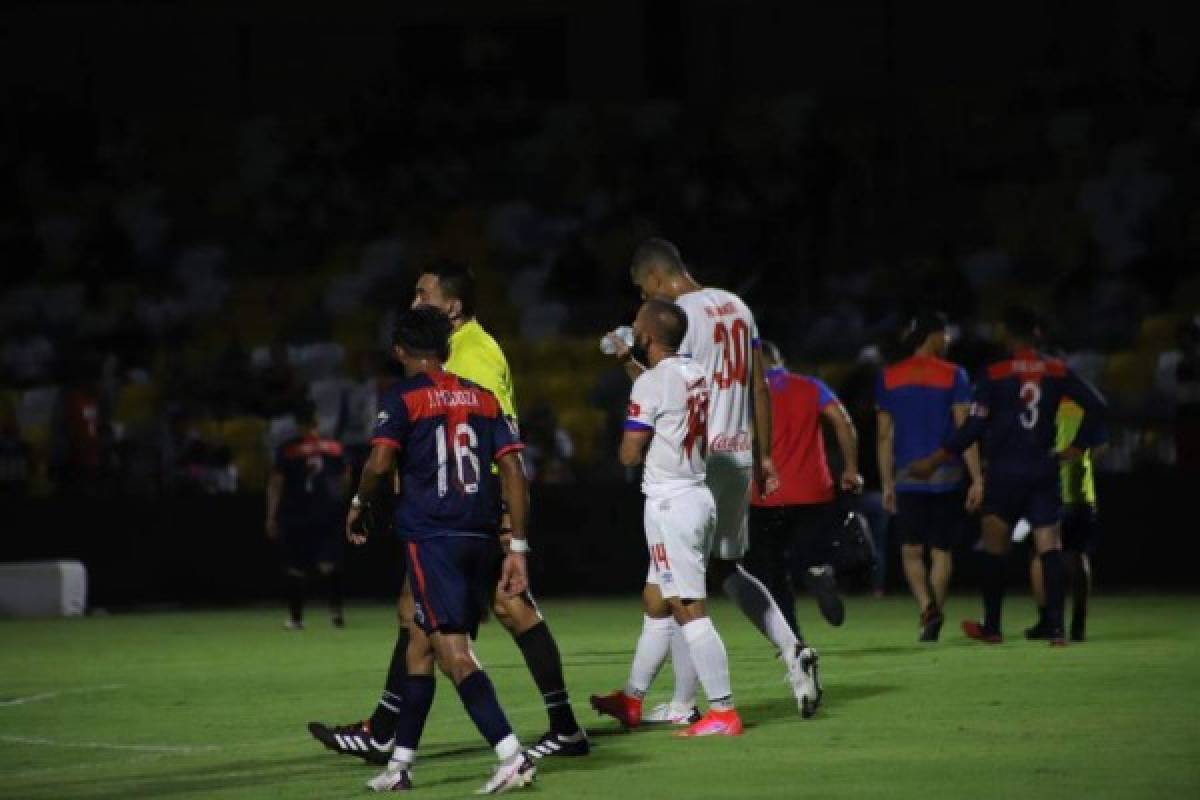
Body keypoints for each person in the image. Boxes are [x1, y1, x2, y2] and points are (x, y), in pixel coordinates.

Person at [309, 261, 587, 765]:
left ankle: (394, 735)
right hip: (475, 504)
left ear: (453, 306)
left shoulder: (472, 355)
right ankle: (390, 731)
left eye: (423, 294)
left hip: (475, 506)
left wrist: (505, 520)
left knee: (491, 611)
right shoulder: (463, 349)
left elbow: (476, 435)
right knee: (445, 613)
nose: (415, 302)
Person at [603, 238, 813, 723]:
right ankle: (787, 648)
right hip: (738, 452)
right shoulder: (737, 305)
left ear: (655, 278)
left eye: (642, 290)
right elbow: (758, 384)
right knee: (722, 570)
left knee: (683, 583)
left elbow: (663, 384)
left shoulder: (679, 315)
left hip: (695, 462)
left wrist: (625, 362)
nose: (643, 301)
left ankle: (695, 704)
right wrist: (765, 456)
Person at [347, 306, 535, 793]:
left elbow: (380, 460)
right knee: (419, 640)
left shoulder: (405, 397)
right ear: (447, 350)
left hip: (433, 536)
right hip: (478, 534)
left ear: (400, 352)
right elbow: (514, 472)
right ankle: (401, 764)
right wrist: (517, 544)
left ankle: (510, 753)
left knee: (453, 651)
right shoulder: (485, 398)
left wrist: (359, 501)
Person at [909, 307, 1107, 646]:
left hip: (1004, 472)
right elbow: (1098, 404)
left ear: (1009, 335)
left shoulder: (996, 373)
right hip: (1043, 469)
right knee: (1050, 548)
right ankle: (1058, 630)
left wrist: (935, 460)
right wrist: (1079, 445)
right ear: (1037, 334)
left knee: (994, 548)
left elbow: (974, 426)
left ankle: (993, 626)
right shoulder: (1056, 370)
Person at [590, 300, 742, 737]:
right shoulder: (692, 373)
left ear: (650, 335)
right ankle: (633, 698)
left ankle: (723, 712)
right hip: (694, 494)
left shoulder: (653, 385)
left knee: (687, 606)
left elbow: (629, 452)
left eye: (637, 323)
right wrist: (629, 365)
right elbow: (662, 392)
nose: (633, 327)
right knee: (656, 600)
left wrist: (630, 430)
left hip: (669, 504)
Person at [740, 341, 861, 715]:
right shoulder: (811, 386)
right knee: (810, 553)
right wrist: (851, 468)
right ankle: (819, 571)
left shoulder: (748, 395)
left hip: (765, 495)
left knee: (773, 577)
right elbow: (843, 421)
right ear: (782, 360)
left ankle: (793, 643)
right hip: (813, 490)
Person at [876, 312, 983, 641]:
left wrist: (887, 483)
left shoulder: (889, 376)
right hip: (946, 471)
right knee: (941, 551)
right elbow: (965, 430)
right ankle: (932, 611)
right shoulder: (955, 375)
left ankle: (926, 607)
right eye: (945, 335)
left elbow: (884, 436)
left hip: (908, 474)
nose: (949, 340)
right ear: (933, 336)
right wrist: (977, 477)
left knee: (910, 551)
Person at [265, 405, 350, 630]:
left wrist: (271, 515)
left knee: (295, 567)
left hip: (296, 513)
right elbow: (345, 478)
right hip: (327, 512)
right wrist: (338, 501)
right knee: (328, 563)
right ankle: (335, 613)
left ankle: (296, 619)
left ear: (299, 425)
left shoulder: (288, 450)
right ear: (317, 423)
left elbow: (276, 483)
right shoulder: (334, 447)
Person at [1025, 398, 1102, 642]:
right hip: (1083, 493)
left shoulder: (1042, 405)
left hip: (1050, 491)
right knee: (1078, 556)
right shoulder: (1085, 408)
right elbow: (1103, 447)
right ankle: (1079, 623)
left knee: (1040, 556)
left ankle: (1048, 620)